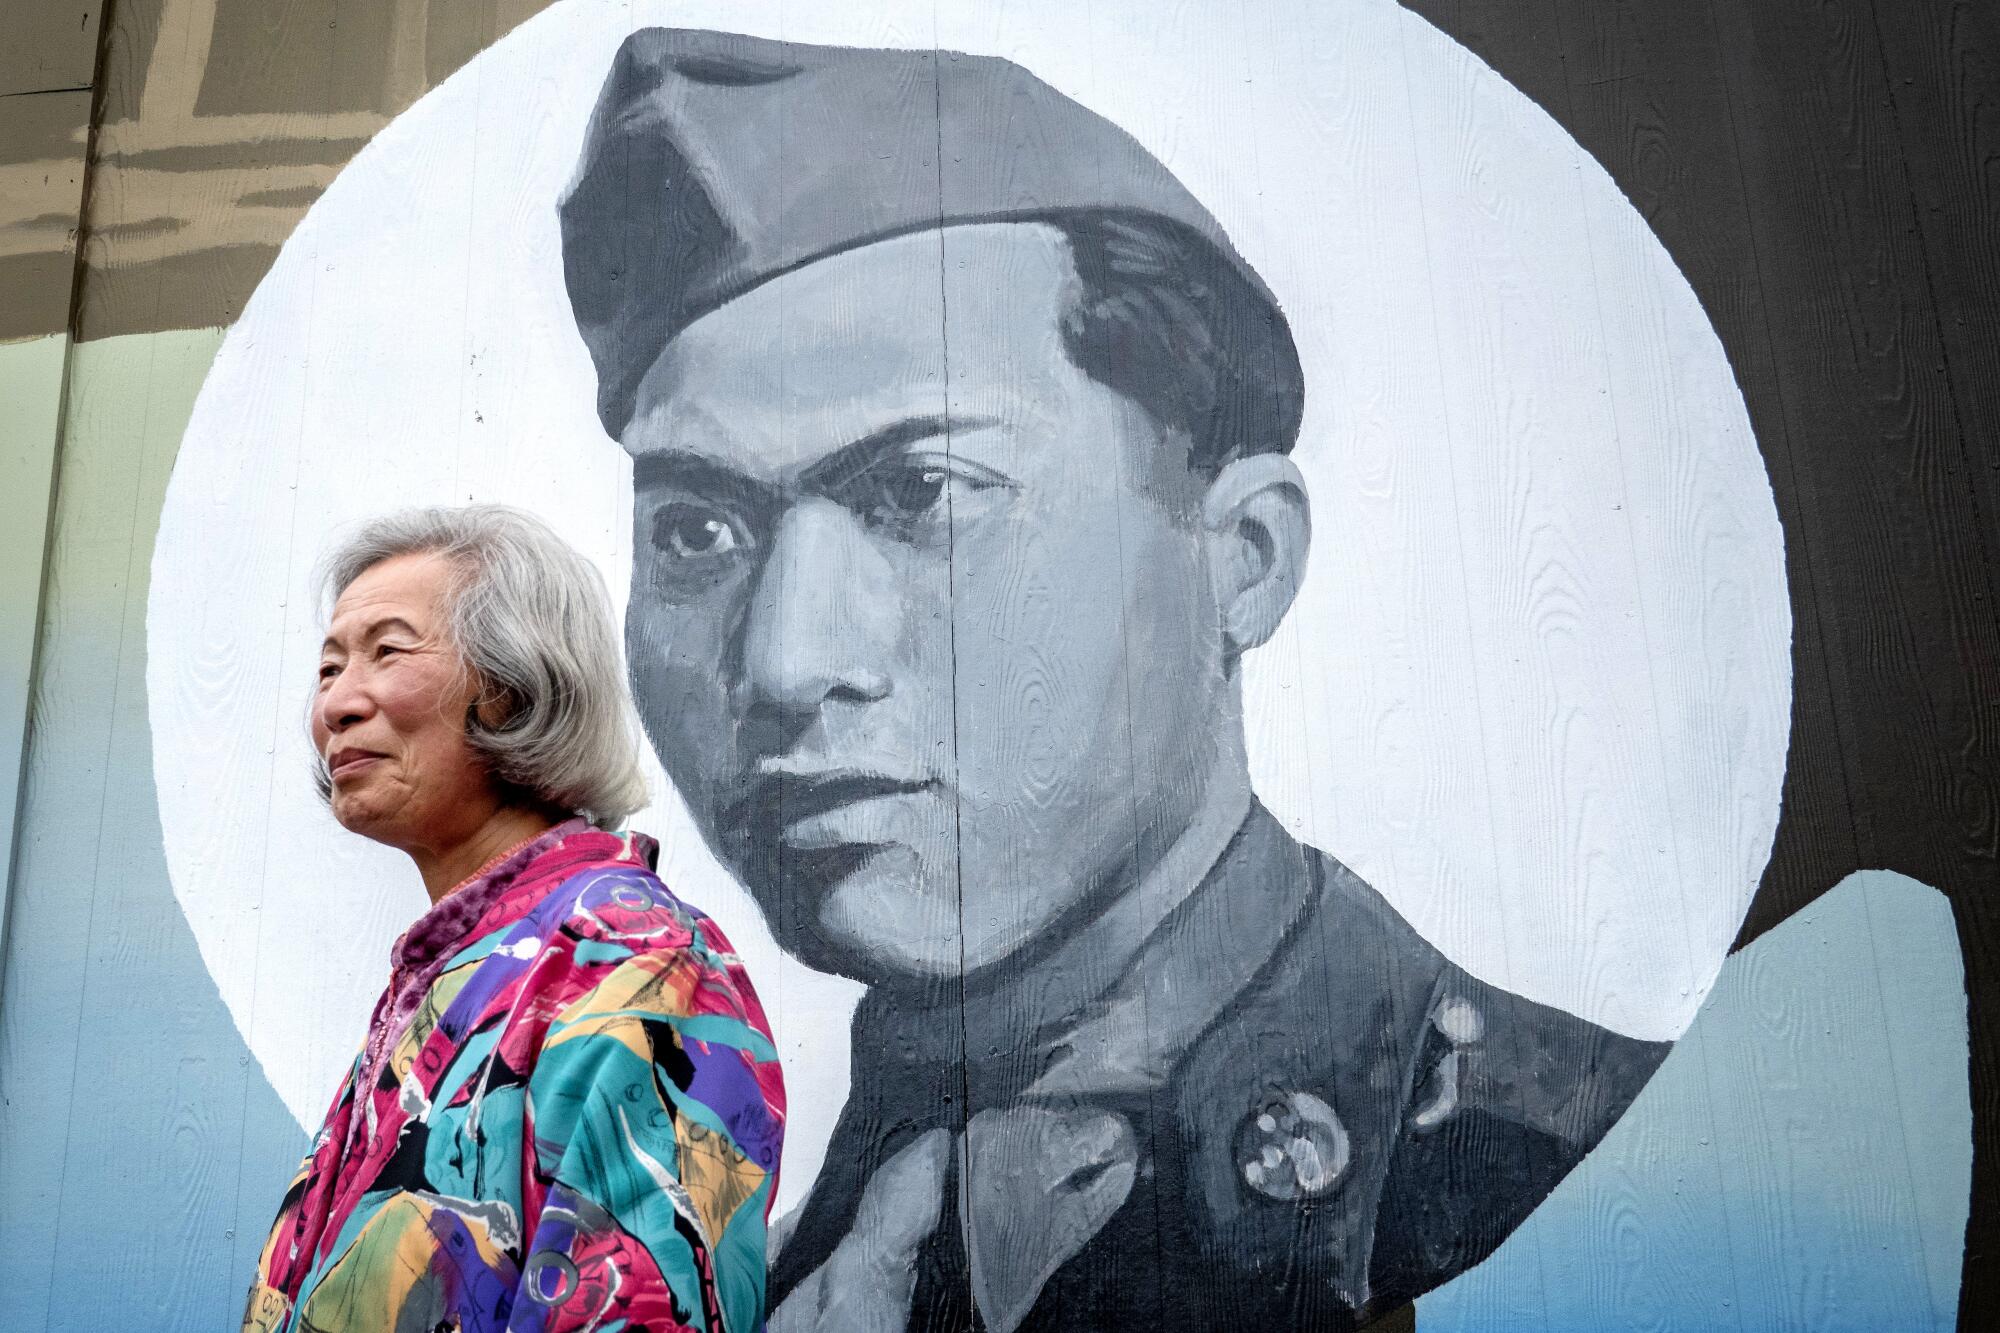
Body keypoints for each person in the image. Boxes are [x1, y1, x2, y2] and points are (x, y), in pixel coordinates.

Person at [559, 29, 1668, 1331]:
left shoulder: (1583, 1172)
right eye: (698, 532)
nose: (786, 660)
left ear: (1242, 558)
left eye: (923, 491)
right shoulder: (775, 1268)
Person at [241, 505, 785, 1333]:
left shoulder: (628, 961)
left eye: (388, 650)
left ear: (512, 685)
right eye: (327, 668)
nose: (338, 705)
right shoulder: (453, 972)